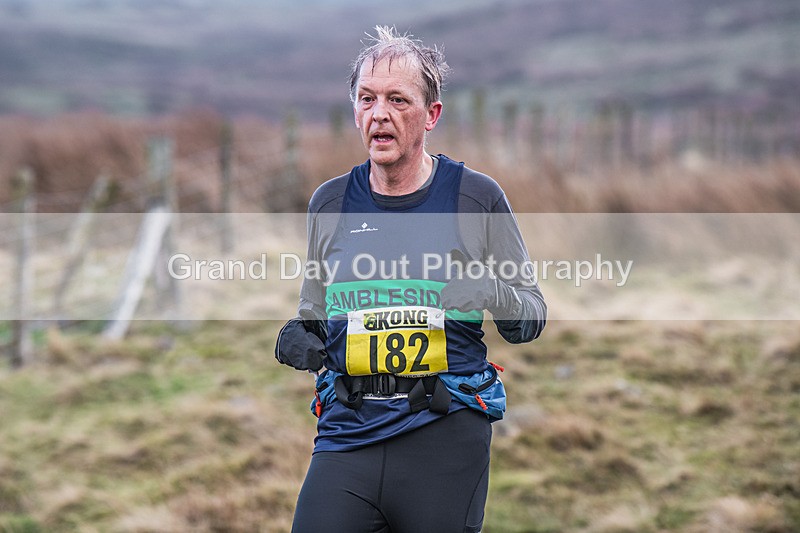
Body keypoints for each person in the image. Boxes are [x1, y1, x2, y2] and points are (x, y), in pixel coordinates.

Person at [275, 26, 546, 533]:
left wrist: (489, 290)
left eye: (397, 100)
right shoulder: (330, 203)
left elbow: (530, 316)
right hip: (347, 432)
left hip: (444, 433)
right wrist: (297, 335)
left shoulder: (475, 198)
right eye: (367, 99)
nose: (379, 113)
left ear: (431, 114)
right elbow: (314, 312)